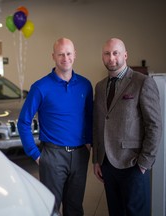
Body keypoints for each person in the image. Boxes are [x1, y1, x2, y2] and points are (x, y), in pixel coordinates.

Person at [17, 37, 93, 216]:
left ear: (75, 55)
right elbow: (23, 122)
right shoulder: (40, 87)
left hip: (80, 154)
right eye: (60, 54)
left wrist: (89, 144)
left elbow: (90, 117)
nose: (65, 58)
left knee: (75, 207)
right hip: (53, 155)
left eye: (68, 53)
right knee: (50, 208)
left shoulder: (85, 85)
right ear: (53, 56)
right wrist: (35, 154)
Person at [92, 38, 162, 216]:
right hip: (107, 164)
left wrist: (144, 163)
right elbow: (99, 123)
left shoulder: (142, 82)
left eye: (115, 53)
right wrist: (96, 160)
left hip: (133, 164)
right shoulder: (100, 87)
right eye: (107, 53)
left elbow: (154, 125)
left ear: (125, 55)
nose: (111, 58)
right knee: (116, 212)